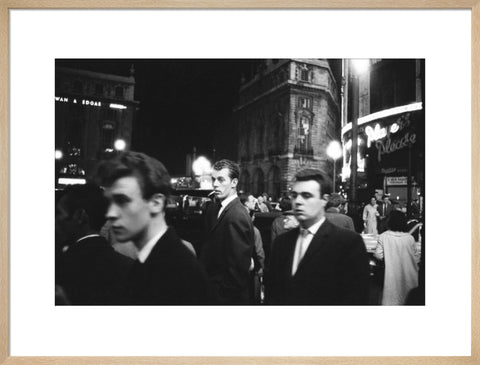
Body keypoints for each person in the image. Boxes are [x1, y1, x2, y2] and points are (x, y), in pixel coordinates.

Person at [97, 151, 214, 305]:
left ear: (156, 203)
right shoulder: (156, 259)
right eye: (110, 202)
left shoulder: (178, 272)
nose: (111, 213)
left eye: (122, 200)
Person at [265, 169, 370, 305]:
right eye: (294, 195)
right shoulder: (282, 243)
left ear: (324, 200)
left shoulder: (348, 243)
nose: (298, 201)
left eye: (306, 195)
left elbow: (355, 300)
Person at [55, 183, 134, 305]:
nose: (55, 220)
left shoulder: (63, 265)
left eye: (58, 213)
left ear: (80, 216)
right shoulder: (128, 267)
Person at [200, 159, 255, 304]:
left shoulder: (237, 216)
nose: (215, 184)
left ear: (234, 183)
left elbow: (237, 273)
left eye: (221, 179)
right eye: (214, 179)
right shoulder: (218, 208)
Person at [374, 210, 421, 305]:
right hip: (410, 275)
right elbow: (416, 258)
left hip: (391, 275)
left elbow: (378, 255)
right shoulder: (409, 238)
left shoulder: (384, 236)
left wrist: (389, 257)